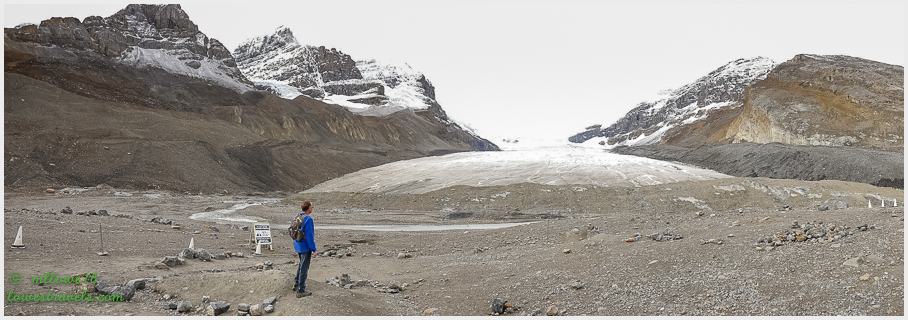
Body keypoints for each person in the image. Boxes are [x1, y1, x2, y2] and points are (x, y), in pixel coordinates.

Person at [292, 201, 317, 297]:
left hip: (298, 244)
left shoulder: (298, 216)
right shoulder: (308, 219)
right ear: (308, 208)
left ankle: (296, 284)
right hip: (305, 246)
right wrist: (313, 249)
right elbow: (309, 236)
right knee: (304, 268)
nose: (312, 208)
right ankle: (301, 290)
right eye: (311, 206)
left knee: (301, 265)